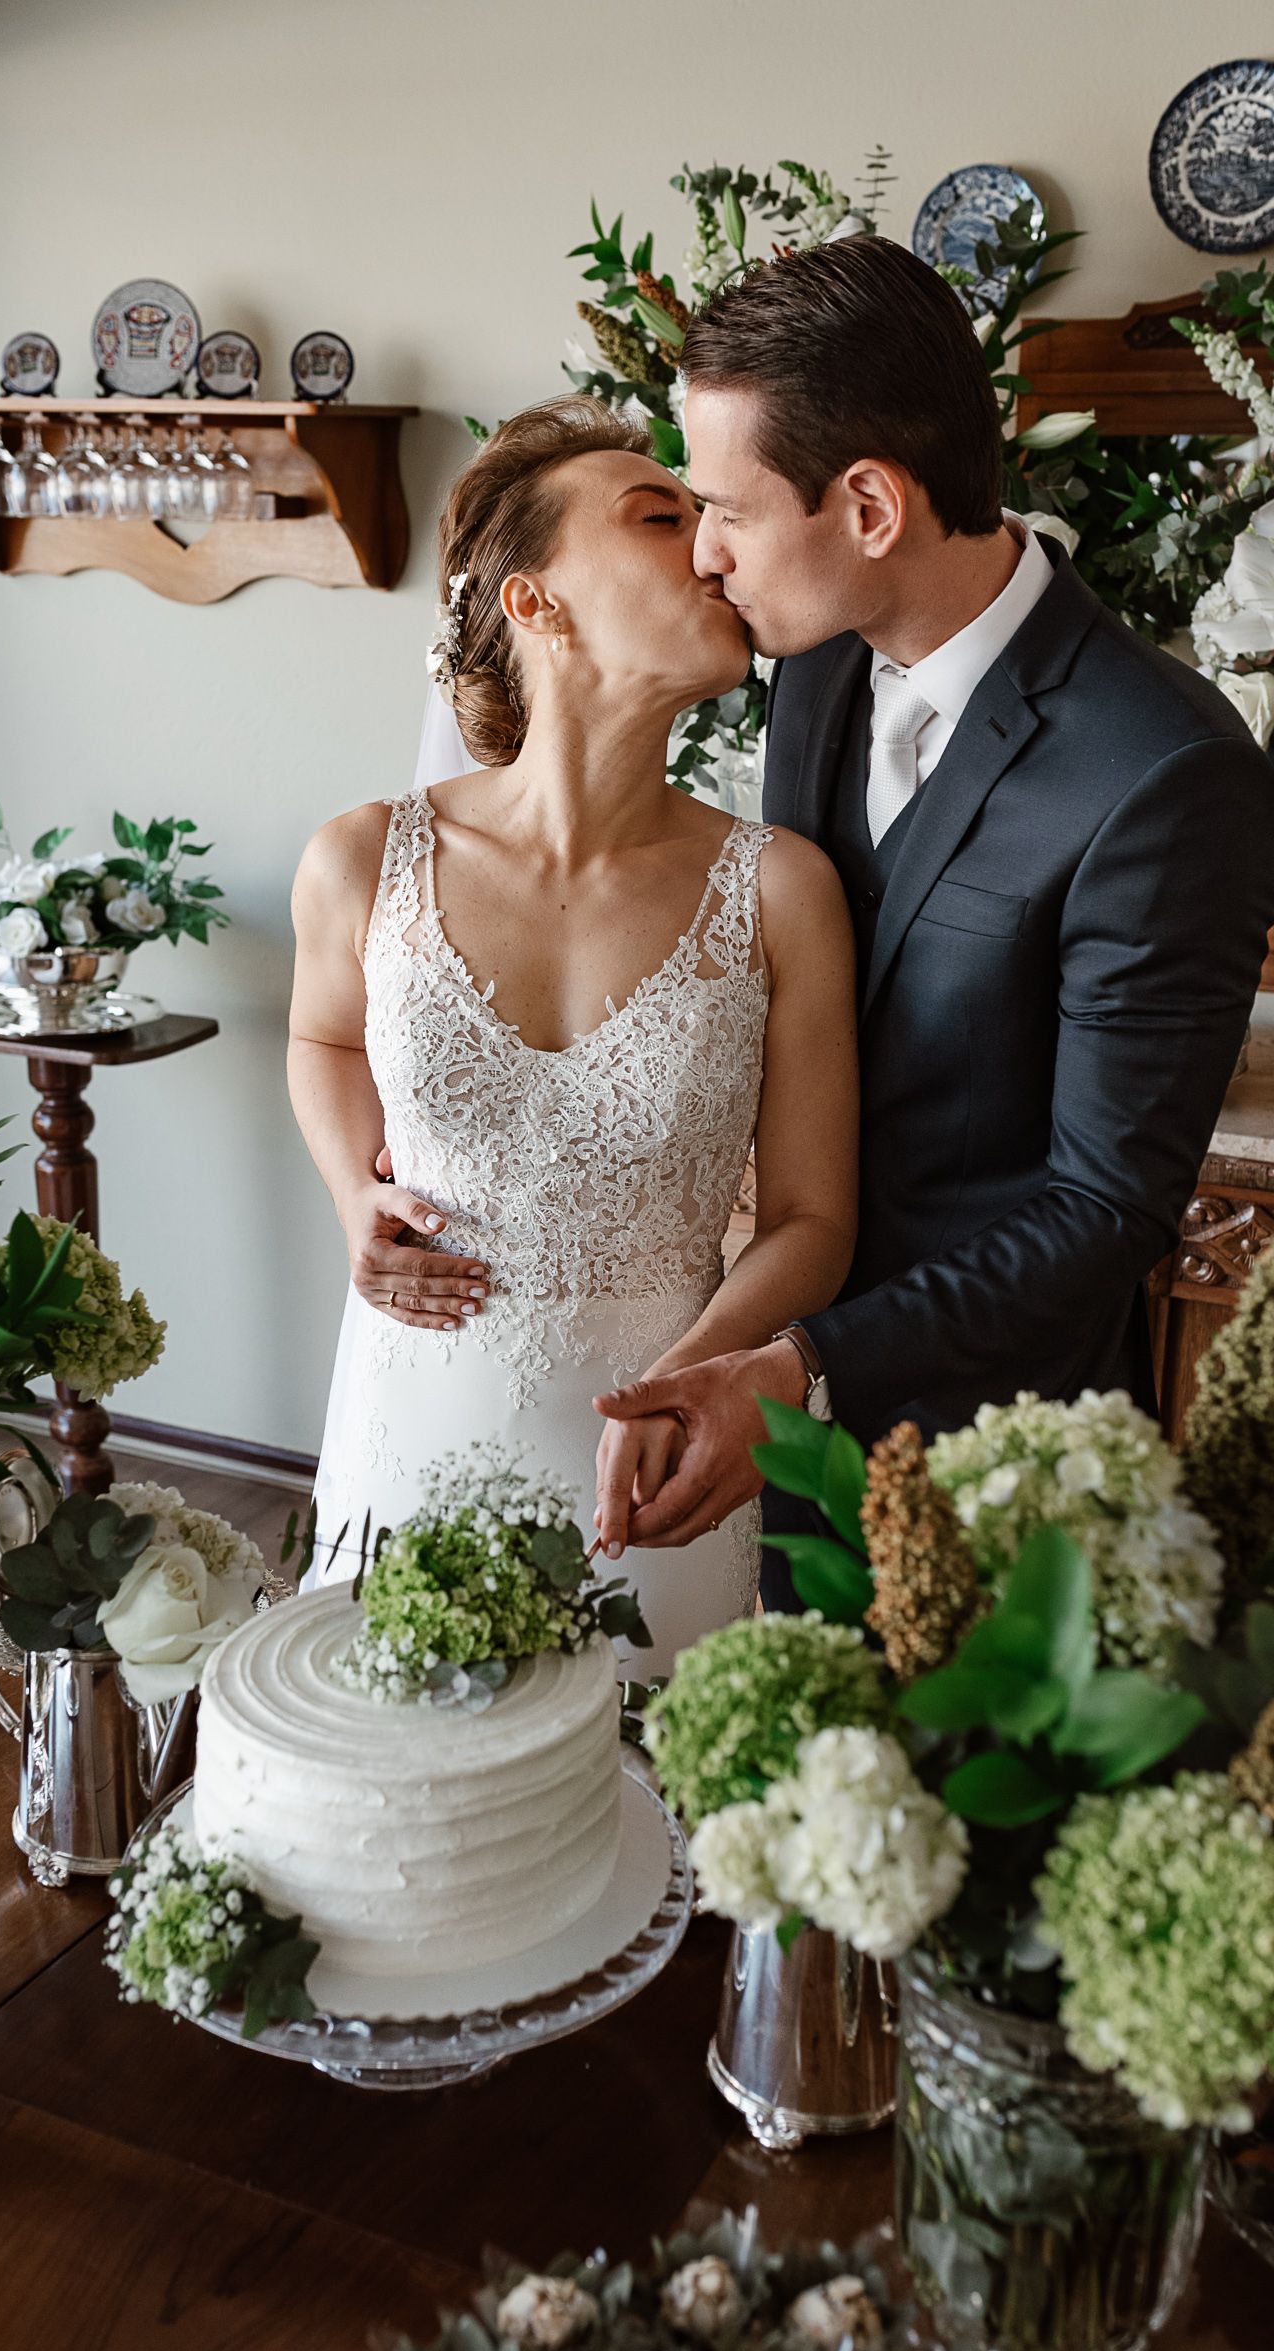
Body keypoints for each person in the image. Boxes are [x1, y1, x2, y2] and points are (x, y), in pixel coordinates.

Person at [592, 235, 1274, 1594]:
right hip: (749, 1411)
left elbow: (1100, 1211)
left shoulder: (1164, 772)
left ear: (865, 508)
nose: (707, 557)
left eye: (724, 508)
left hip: (990, 1480)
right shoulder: (810, 677)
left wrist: (804, 1370)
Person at [288, 395, 857, 1669]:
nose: (713, 544)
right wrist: (350, 1198)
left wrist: (690, 1381)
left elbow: (815, 1222)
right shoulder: (362, 860)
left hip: (659, 1464)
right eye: (663, 515)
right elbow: (322, 1043)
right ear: (533, 602)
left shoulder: (780, 891)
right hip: (410, 1423)